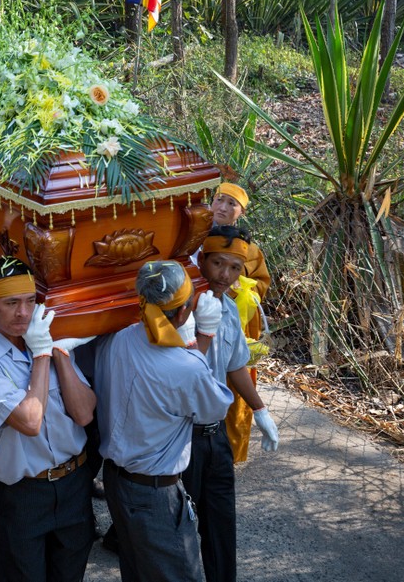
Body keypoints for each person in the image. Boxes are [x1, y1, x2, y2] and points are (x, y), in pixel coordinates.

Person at [0, 256, 96, 582]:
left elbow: (85, 413)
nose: (23, 312)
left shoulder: (44, 336)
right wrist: (41, 355)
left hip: (74, 480)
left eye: (30, 301)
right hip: (24, 492)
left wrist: (58, 351)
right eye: (11, 303)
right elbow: (31, 421)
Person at [94, 260, 234, 582]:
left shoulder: (115, 340)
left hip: (116, 481)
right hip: (153, 495)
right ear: (184, 312)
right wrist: (205, 338)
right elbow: (213, 409)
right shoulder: (187, 367)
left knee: (137, 571)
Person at [183, 225, 280, 582]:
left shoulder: (225, 306)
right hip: (182, 435)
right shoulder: (182, 308)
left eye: (234, 267)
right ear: (202, 261)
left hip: (216, 433)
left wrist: (260, 410)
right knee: (179, 526)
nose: (225, 275)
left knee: (221, 523)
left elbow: (236, 363)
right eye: (218, 264)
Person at [208, 182, 271, 463]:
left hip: (235, 325)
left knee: (235, 384)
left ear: (241, 212)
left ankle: (230, 452)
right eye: (219, 200)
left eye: (231, 203)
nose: (223, 207)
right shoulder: (196, 237)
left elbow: (261, 285)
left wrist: (241, 288)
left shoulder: (251, 250)